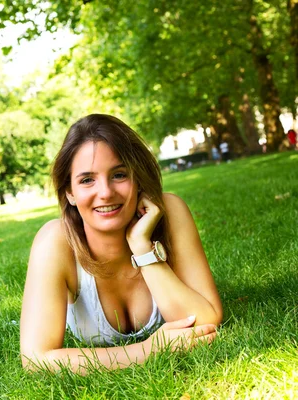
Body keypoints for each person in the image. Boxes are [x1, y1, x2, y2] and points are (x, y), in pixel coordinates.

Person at [20, 114, 222, 374]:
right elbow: (36, 360)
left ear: (138, 178)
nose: (105, 192)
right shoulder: (56, 242)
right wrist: (149, 350)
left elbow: (206, 321)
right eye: (86, 180)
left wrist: (142, 248)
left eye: (118, 174)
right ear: (69, 192)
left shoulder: (169, 211)